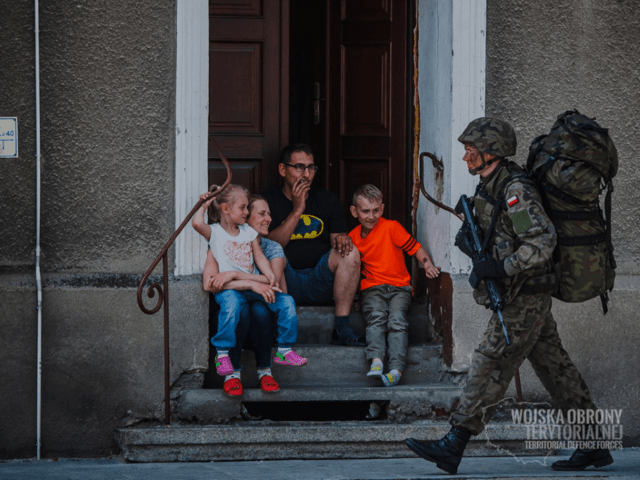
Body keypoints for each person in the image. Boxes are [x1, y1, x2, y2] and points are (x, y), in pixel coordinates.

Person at [404, 118, 613, 474]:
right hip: (524, 296)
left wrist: (501, 269)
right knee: (554, 367)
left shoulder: (515, 190)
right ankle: (593, 443)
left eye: (473, 148)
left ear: (492, 152)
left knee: (488, 360)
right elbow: (498, 232)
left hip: (524, 296)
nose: (466, 154)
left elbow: (541, 242)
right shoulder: (490, 185)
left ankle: (454, 442)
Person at [192, 184, 307, 397]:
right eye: (248, 210)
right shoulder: (216, 235)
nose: (268, 219)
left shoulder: (252, 235)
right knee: (236, 307)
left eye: (247, 209)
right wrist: (205, 203)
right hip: (233, 296)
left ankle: (279, 354)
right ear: (227, 209)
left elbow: (262, 264)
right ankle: (227, 362)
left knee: (278, 304)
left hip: (255, 293)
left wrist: (265, 277)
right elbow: (210, 283)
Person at [263, 143, 365, 346]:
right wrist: (298, 209)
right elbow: (267, 246)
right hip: (285, 280)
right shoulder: (268, 202)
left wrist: (344, 240)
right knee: (273, 254)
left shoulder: (327, 200)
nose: (306, 174)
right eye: (299, 167)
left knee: (350, 252)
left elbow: (339, 243)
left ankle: (342, 327)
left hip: (320, 280)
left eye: (311, 168)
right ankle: (280, 325)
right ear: (283, 170)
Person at [348, 185, 441, 387]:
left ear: (382, 209)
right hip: (372, 290)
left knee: (397, 321)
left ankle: (396, 369)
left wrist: (428, 265)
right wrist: (355, 298)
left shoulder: (391, 227)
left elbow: (415, 248)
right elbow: (352, 272)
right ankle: (376, 361)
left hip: (399, 288)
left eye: (376, 210)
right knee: (377, 319)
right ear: (354, 212)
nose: (371, 216)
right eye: (365, 211)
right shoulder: (353, 237)